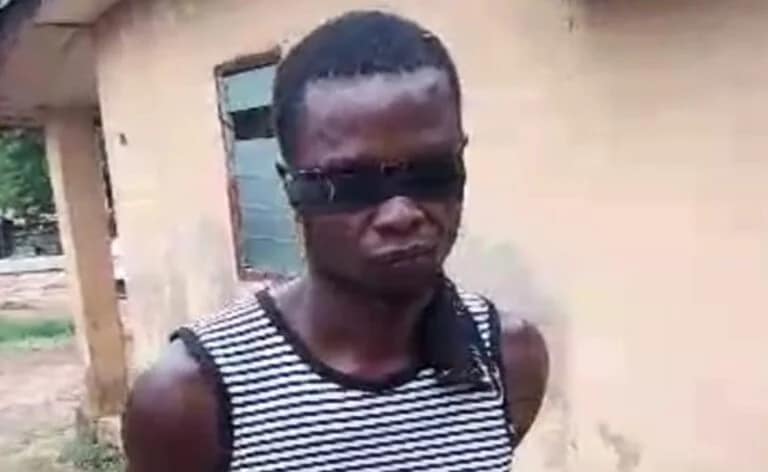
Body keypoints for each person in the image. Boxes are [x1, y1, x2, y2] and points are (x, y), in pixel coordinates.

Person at [123, 10, 548, 472]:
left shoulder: (509, 358)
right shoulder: (193, 398)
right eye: (352, 180)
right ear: (291, 188)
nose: (401, 213)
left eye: (431, 171)